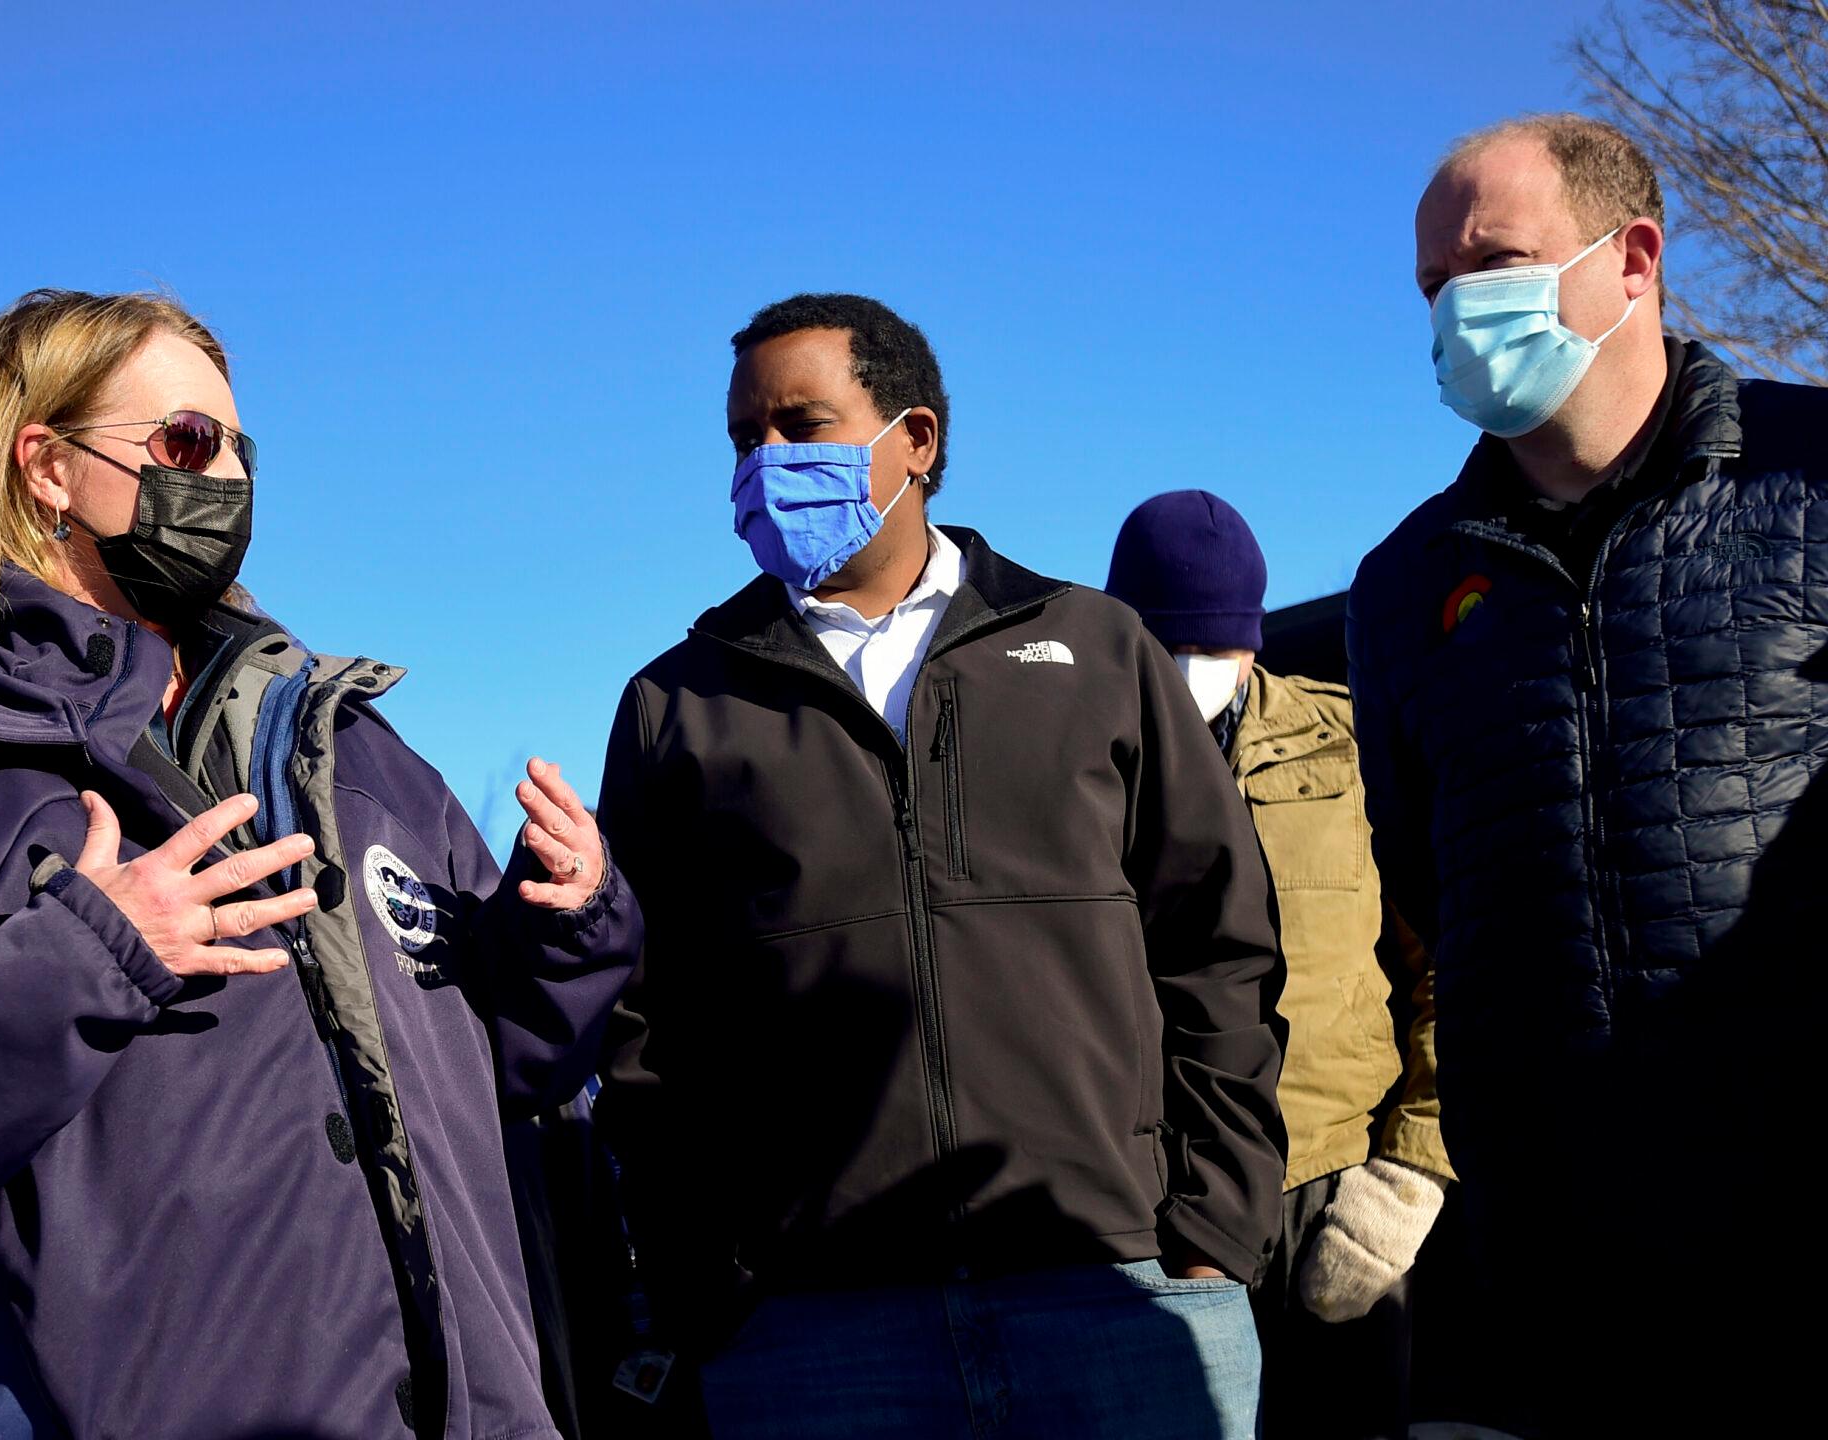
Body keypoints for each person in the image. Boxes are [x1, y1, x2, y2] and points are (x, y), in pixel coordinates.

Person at [0, 288, 643, 1440]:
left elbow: (507, 1067)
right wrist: (77, 962)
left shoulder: (350, 742)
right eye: (185, 441)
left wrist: (564, 928)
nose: (224, 481)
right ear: (47, 467)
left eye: (237, 449)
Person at [593, 293, 1286, 1440]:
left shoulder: (1097, 650)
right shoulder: (678, 704)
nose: (765, 460)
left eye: (801, 424)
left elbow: (1217, 944)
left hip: (1118, 1293)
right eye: (742, 438)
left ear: (913, 439)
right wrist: (706, 1275)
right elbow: (640, 1021)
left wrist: (1211, 1230)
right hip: (813, 1332)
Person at [1350, 112, 1820, 1431]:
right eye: (1436, 288)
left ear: (1635, 259)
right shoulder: (1404, 588)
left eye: (1493, 263)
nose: (1458, 310)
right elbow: (1424, 898)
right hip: (1554, 1276)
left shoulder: (1815, 478)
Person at [1107, 490, 1449, 1440]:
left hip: (1331, 1187)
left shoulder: (1351, 750)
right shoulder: (1070, 770)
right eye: (1160, 642)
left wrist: (1405, 1181)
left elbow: (1448, 972)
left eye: (1214, 646)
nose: (1188, 671)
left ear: (1253, 639)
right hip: (1152, 1203)